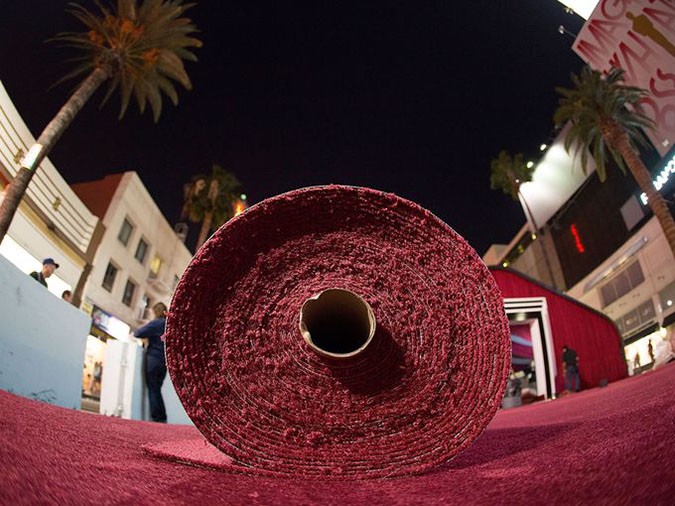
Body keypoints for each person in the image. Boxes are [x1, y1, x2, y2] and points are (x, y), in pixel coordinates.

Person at [133, 302, 168, 423]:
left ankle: (157, 418)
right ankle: (162, 417)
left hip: (153, 359)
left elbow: (138, 333)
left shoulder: (156, 323)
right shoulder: (168, 325)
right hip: (164, 362)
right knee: (157, 389)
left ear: (156, 312)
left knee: (153, 389)